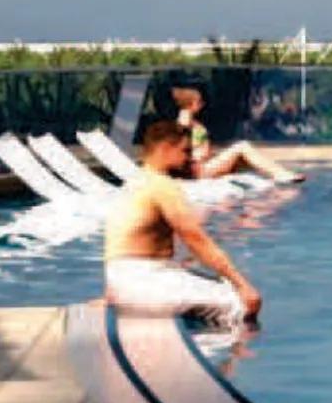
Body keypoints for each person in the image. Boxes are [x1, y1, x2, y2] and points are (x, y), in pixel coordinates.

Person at [104, 121, 262, 327]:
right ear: (165, 149)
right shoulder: (162, 186)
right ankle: (214, 346)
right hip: (144, 282)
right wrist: (243, 285)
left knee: (214, 285)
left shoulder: (133, 183)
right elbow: (196, 240)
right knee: (243, 303)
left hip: (120, 280)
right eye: (185, 151)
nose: (190, 158)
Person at [168, 86, 303, 184]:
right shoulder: (184, 121)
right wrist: (198, 156)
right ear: (192, 104)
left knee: (246, 159)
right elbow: (183, 147)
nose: (202, 105)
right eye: (199, 102)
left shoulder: (191, 121)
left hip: (202, 165)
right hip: (199, 170)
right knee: (242, 146)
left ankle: (277, 173)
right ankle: (279, 174)